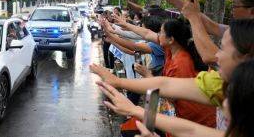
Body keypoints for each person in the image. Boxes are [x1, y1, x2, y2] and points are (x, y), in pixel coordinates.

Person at [90, 19, 254, 126]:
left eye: (161, 32)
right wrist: (116, 29)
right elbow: (146, 34)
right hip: (177, 113)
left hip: (191, 118)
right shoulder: (169, 50)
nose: (216, 55)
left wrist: (126, 82)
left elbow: (168, 90)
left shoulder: (182, 62)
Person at [97, 59, 254, 137]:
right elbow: (190, 130)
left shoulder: (181, 63)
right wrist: (134, 109)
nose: (222, 100)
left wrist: (134, 108)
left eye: (230, 94)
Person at [166, 0, 254, 64]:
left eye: (235, 5)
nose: (232, 10)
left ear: (252, 11)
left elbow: (211, 57)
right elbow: (212, 26)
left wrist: (194, 17)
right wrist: (177, 1)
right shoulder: (242, 31)